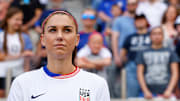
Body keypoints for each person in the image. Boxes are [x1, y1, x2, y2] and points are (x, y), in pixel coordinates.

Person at [7, 10, 110, 101]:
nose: (60, 36)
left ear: (77, 39)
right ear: (42, 39)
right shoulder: (23, 83)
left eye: (67, 30)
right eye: (53, 30)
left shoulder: (97, 84)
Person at [136, 26, 179, 99]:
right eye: (154, 34)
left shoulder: (170, 52)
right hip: (147, 93)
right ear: (150, 36)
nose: (157, 36)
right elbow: (139, 73)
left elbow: (175, 73)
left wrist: (169, 90)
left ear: (163, 36)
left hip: (167, 92)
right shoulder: (143, 52)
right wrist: (145, 91)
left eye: (159, 33)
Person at [0, 7, 33, 98]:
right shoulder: (1, 36)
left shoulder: (24, 37)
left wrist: (26, 75)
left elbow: (28, 58)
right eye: (16, 19)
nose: (19, 22)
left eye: (21, 20)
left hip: (19, 74)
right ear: (8, 20)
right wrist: (20, 55)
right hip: (2, 74)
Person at [109, 0, 137, 98]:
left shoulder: (141, 19)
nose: (131, 6)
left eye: (133, 4)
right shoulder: (119, 20)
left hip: (137, 56)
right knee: (116, 80)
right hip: (122, 54)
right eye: (129, 4)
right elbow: (114, 38)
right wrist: (116, 55)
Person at [120, 14, 151, 97]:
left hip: (149, 66)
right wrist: (129, 63)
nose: (140, 21)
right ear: (134, 23)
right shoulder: (129, 37)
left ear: (147, 22)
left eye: (142, 19)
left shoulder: (152, 35)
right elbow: (123, 53)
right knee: (132, 95)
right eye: (137, 20)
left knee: (149, 95)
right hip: (133, 66)